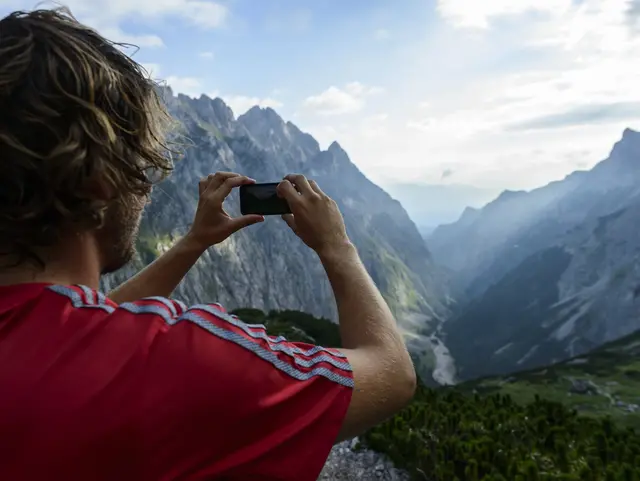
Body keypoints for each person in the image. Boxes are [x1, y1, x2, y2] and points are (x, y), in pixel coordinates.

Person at [0, 8, 417, 481]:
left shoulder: (29, 339)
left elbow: (72, 335)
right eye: (144, 170)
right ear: (100, 183)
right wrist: (338, 247)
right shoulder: (179, 362)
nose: (148, 191)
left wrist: (193, 243)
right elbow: (392, 373)